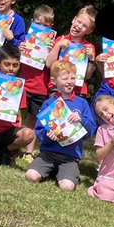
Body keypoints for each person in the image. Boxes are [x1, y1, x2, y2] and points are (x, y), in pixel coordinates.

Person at [26, 59, 97, 191]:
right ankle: (52, 171)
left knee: (67, 187)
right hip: (48, 154)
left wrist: (81, 120)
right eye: (65, 78)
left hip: (70, 157)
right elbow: (39, 129)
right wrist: (48, 135)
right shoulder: (49, 104)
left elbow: (91, 129)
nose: (69, 81)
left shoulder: (81, 103)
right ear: (53, 81)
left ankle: (66, 174)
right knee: (31, 176)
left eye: (72, 78)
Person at [18, 4, 56, 149]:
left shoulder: (54, 43)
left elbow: (52, 65)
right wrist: (20, 49)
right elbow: (15, 61)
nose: (42, 28)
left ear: (51, 25)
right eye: (38, 24)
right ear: (32, 21)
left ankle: (29, 151)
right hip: (22, 82)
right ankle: (14, 146)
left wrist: (52, 49)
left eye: (46, 25)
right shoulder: (26, 39)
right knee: (16, 116)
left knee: (33, 118)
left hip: (40, 87)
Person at [45, 6, 97, 98]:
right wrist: (57, 46)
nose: (79, 26)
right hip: (57, 88)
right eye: (79, 21)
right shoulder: (60, 40)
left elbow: (87, 76)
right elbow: (49, 64)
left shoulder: (89, 47)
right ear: (74, 19)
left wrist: (92, 59)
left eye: (84, 26)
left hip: (78, 90)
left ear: (89, 31)